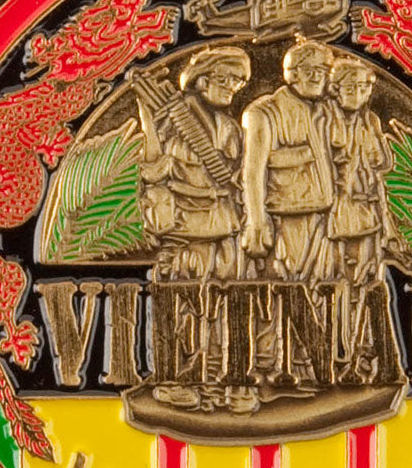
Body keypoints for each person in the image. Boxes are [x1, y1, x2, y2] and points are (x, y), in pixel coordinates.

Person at [136, 46, 250, 405]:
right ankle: (175, 381)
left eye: (238, 81)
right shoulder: (172, 119)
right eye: (224, 78)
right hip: (185, 228)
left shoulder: (229, 126)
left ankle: (216, 378)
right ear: (201, 80)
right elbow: (154, 169)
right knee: (181, 304)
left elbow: (238, 173)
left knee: (224, 305)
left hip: (226, 227)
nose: (232, 86)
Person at [241, 40, 336, 384]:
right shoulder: (263, 113)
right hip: (283, 217)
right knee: (278, 289)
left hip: (321, 216)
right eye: (310, 71)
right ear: (291, 74)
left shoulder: (324, 111)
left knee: (314, 290)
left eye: (323, 71)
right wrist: (256, 221)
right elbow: (252, 171)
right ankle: (266, 363)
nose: (319, 77)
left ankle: (303, 363)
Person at [327, 57, 394, 381]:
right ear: (335, 89)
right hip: (336, 216)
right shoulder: (325, 119)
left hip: (369, 215)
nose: (358, 93)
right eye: (350, 87)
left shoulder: (370, 120)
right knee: (341, 285)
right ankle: (338, 354)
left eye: (364, 87)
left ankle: (364, 352)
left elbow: (382, 163)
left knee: (368, 284)